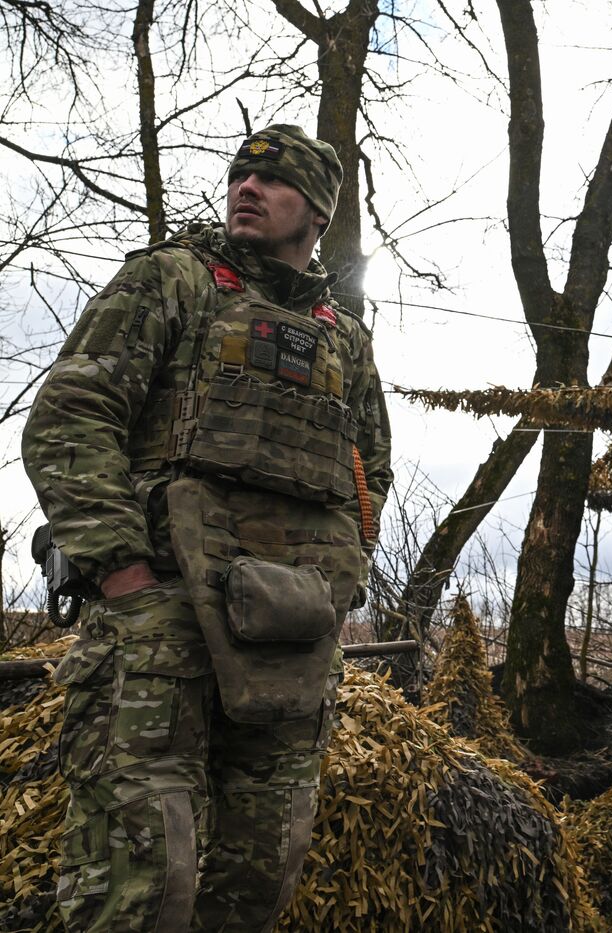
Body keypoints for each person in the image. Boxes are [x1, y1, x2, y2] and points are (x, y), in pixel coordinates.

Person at [22, 124, 392, 932]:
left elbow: (369, 475)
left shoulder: (346, 343)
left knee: (259, 874)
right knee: (144, 880)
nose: (246, 190)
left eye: (274, 182)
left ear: (318, 213)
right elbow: (70, 418)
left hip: (287, 637)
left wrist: (337, 583)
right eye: (239, 177)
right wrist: (123, 573)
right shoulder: (173, 282)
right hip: (159, 623)